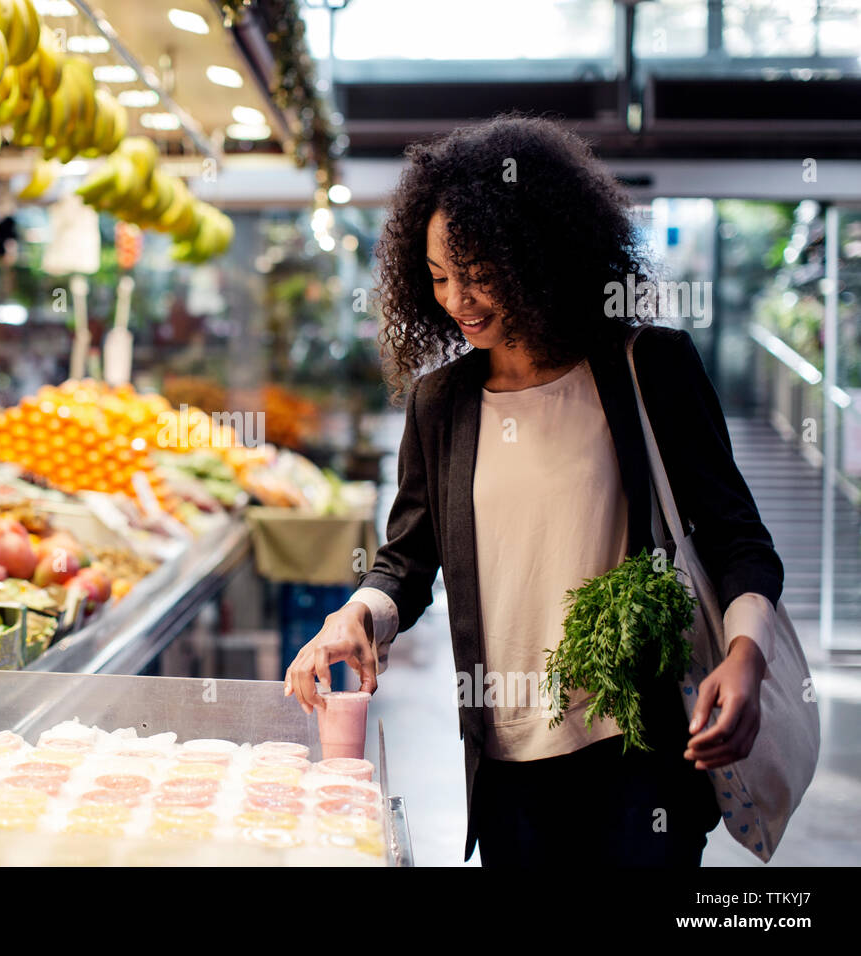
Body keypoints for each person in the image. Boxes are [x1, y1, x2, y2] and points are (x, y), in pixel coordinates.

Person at [283, 115, 783, 867]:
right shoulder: (441, 403)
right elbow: (407, 561)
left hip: (636, 752)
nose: (458, 298)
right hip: (505, 766)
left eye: (479, 272)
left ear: (537, 253)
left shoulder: (649, 369)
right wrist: (357, 614)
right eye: (439, 275)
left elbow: (738, 540)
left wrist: (747, 654)